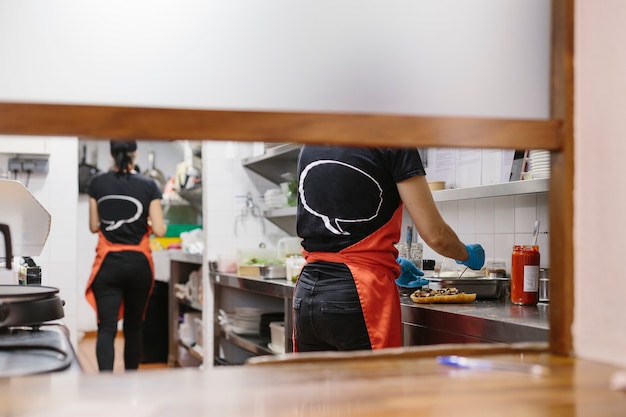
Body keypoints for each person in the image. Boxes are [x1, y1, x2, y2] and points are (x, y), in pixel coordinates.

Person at [293, 145, 484, 352]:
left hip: (307, 292)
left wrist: (392, 263)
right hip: (359, 293)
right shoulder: (393, 141)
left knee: (316, 384)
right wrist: (466, 254)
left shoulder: (311, 144)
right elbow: (437, 236)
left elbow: (334, 221)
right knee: (376, 383)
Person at [85, 140, 167, 371]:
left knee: (107, 327)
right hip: (138, 264)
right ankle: (131, 384)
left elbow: (93, 226)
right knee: (133, 327)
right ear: (136, 153)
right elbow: (160, 230)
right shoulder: (149, 185)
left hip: (108, 265)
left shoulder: (97, 183)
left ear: (111, 153)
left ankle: (105, 384)